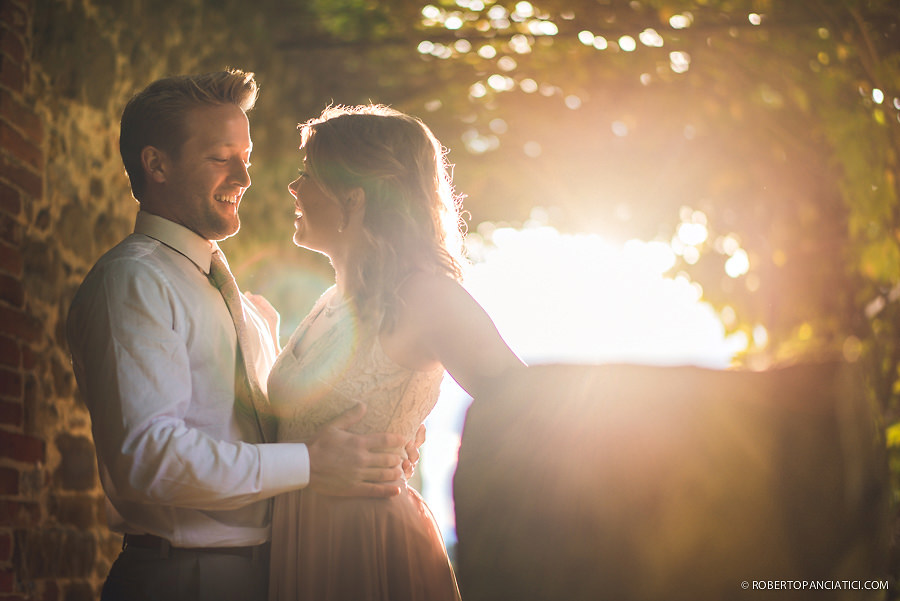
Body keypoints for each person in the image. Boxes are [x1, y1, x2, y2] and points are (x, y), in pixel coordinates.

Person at [66, 70, 423, 601]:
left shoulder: (230, 297)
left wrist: (374, 443)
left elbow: (266, 430)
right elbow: (147, 457)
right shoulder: (134, 280)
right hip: (188, 578)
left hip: (269, 570)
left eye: (246, 158)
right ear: (156, 164)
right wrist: (311, 464)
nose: (245, 177)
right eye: (220, 158)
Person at [266, 104, 526, 600]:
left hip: (369, 553)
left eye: (309, 175)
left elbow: (526, 403)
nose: (294, 189)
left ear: (355, 196)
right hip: (300, 552)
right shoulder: (333, 301)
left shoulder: (427, 297)